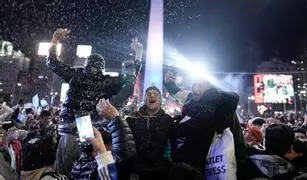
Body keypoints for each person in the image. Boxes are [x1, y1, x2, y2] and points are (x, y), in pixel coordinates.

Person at [47, 28, 143, 177]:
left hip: (69, 132)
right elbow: (130, 80)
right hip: (93, 135)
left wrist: (55, 41)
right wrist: (138, 55)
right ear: (102, 67)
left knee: (63, 174)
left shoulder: (75, 75)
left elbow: (52, 63)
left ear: (86, 64)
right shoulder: (108, 81)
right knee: (89, 173)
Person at [164, 70, 247, 177]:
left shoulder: (215, 106)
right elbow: (179, 93)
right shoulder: (197, 99)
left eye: (200, 85)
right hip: (199, 164)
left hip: (210, 163)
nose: (195, 88)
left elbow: (189, 127)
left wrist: (171, 126)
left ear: (209, 88)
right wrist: (169, 83)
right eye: (194, 85)